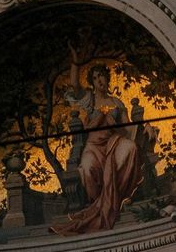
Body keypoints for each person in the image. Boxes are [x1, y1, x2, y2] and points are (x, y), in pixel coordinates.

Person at [48, 64, 144, 234]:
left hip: (113, 142)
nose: (100, 80)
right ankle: (96, 204)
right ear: (92, 82)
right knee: (87, 167)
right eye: (95, 77)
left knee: (131, 148)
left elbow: (128, 127)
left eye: (102, 76)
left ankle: (117, 197)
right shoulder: (89, 100)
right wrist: (76, 62)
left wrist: (145, 127)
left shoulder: (116, 102)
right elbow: (75, 86)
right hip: (93, 146)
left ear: (107, 78)